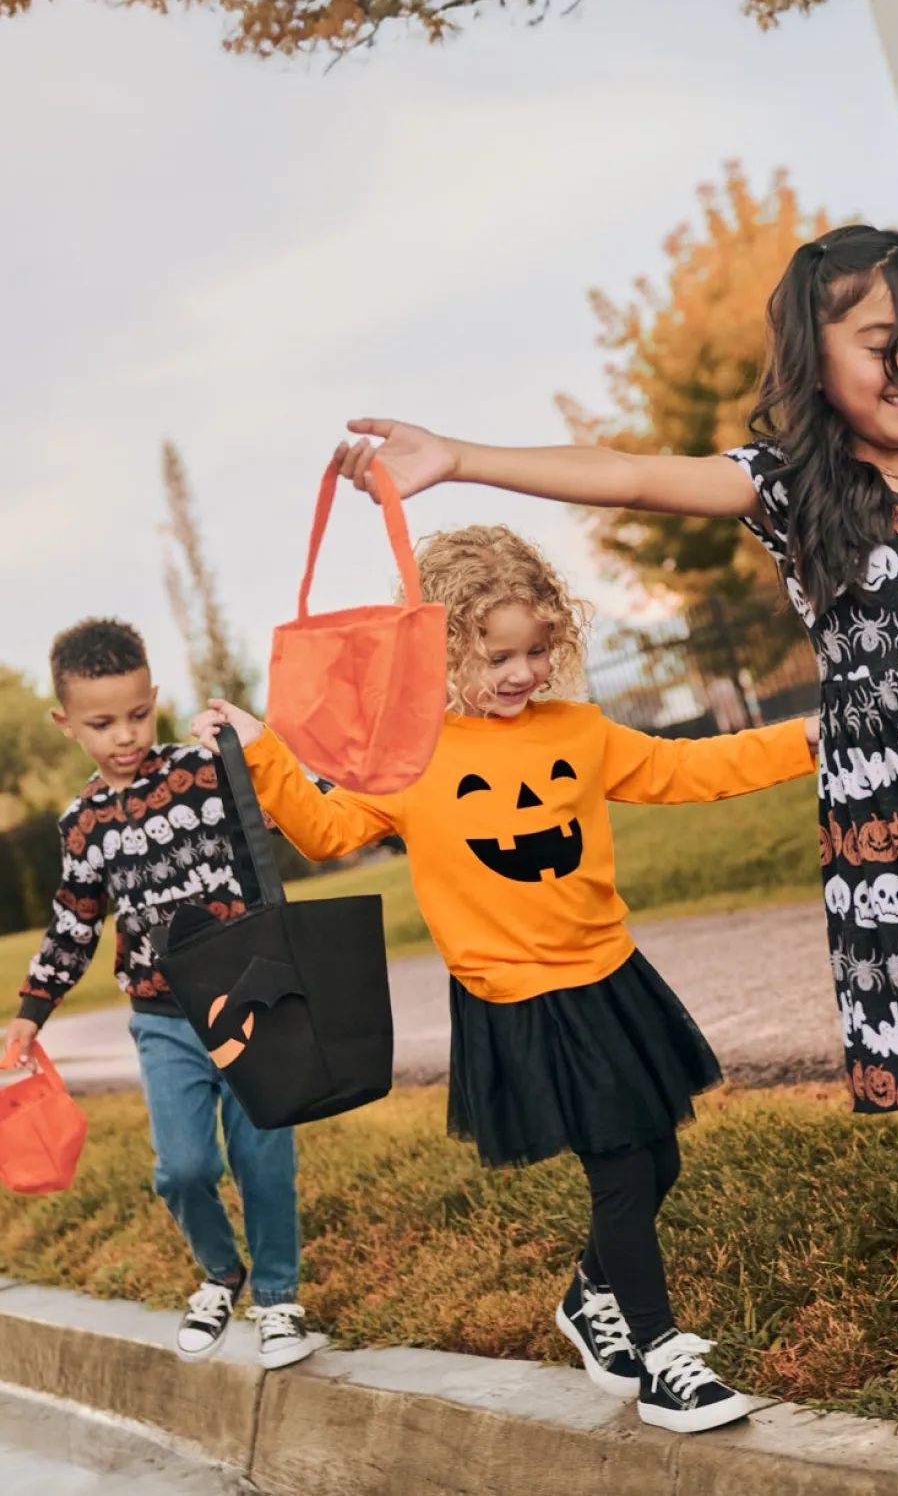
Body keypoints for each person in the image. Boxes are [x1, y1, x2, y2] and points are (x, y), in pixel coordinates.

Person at [328, 224, 898, 1485]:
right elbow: (637, 477)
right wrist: (462, 457)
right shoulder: (789, 487)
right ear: (815, 362)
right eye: (881, 344)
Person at [193, 522, 820, 1434]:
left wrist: (802, 738)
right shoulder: (412, 757)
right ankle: (661, 1355)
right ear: (444, 653)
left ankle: (590, 1294)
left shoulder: (578, 729)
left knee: (657, 1155)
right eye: (496, 656)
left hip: (608, 973)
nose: (521, 673)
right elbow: (326, 830)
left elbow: (688, 767)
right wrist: (261, 750)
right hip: (517, 995)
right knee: (617, 1165)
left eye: (536, 651)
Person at [3, 617, 319, 1369]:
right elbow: (73, 924)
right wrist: (29, 1014)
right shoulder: (82, 825)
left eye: (138, 714)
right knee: (183, 1168)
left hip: (251, 999)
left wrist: (255, 753)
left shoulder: (205, 773)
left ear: (155, 696)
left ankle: (278, 1299)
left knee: (264, 1159)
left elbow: (292, 803)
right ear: (66, 723)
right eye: (102, 722)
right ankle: (222, 1271)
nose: (125, 735)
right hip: (165, 1020)